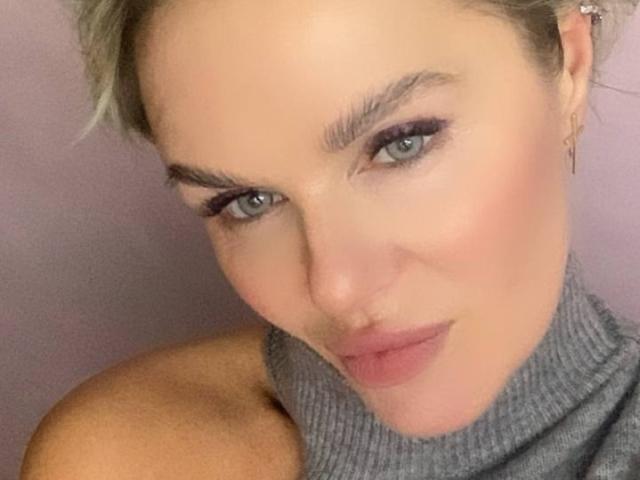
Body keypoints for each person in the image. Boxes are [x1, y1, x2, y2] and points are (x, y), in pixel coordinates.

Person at [21, 0, 640, 478]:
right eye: (247, 201)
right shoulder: (127, 456)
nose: (335, 288)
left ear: (569, 66)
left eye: (402, 144)